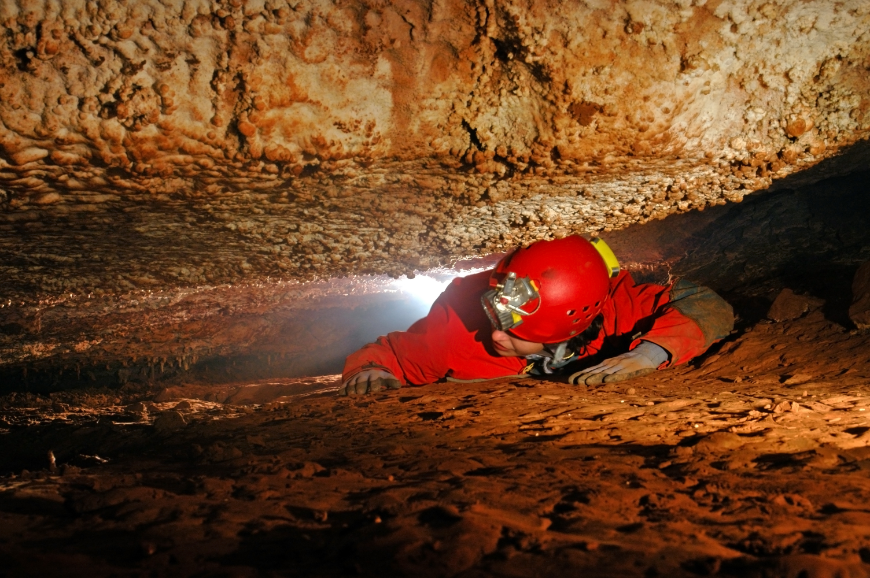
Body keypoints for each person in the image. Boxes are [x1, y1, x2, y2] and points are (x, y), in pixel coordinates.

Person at [340, 235, 733, 395]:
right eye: (495, 317)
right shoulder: (456, 333)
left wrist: (651, 352)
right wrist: (369, 369)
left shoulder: (611, 303)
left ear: (566, 331)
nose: (496, 336)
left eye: (514, 332)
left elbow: (705, 304)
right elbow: (391, 353)